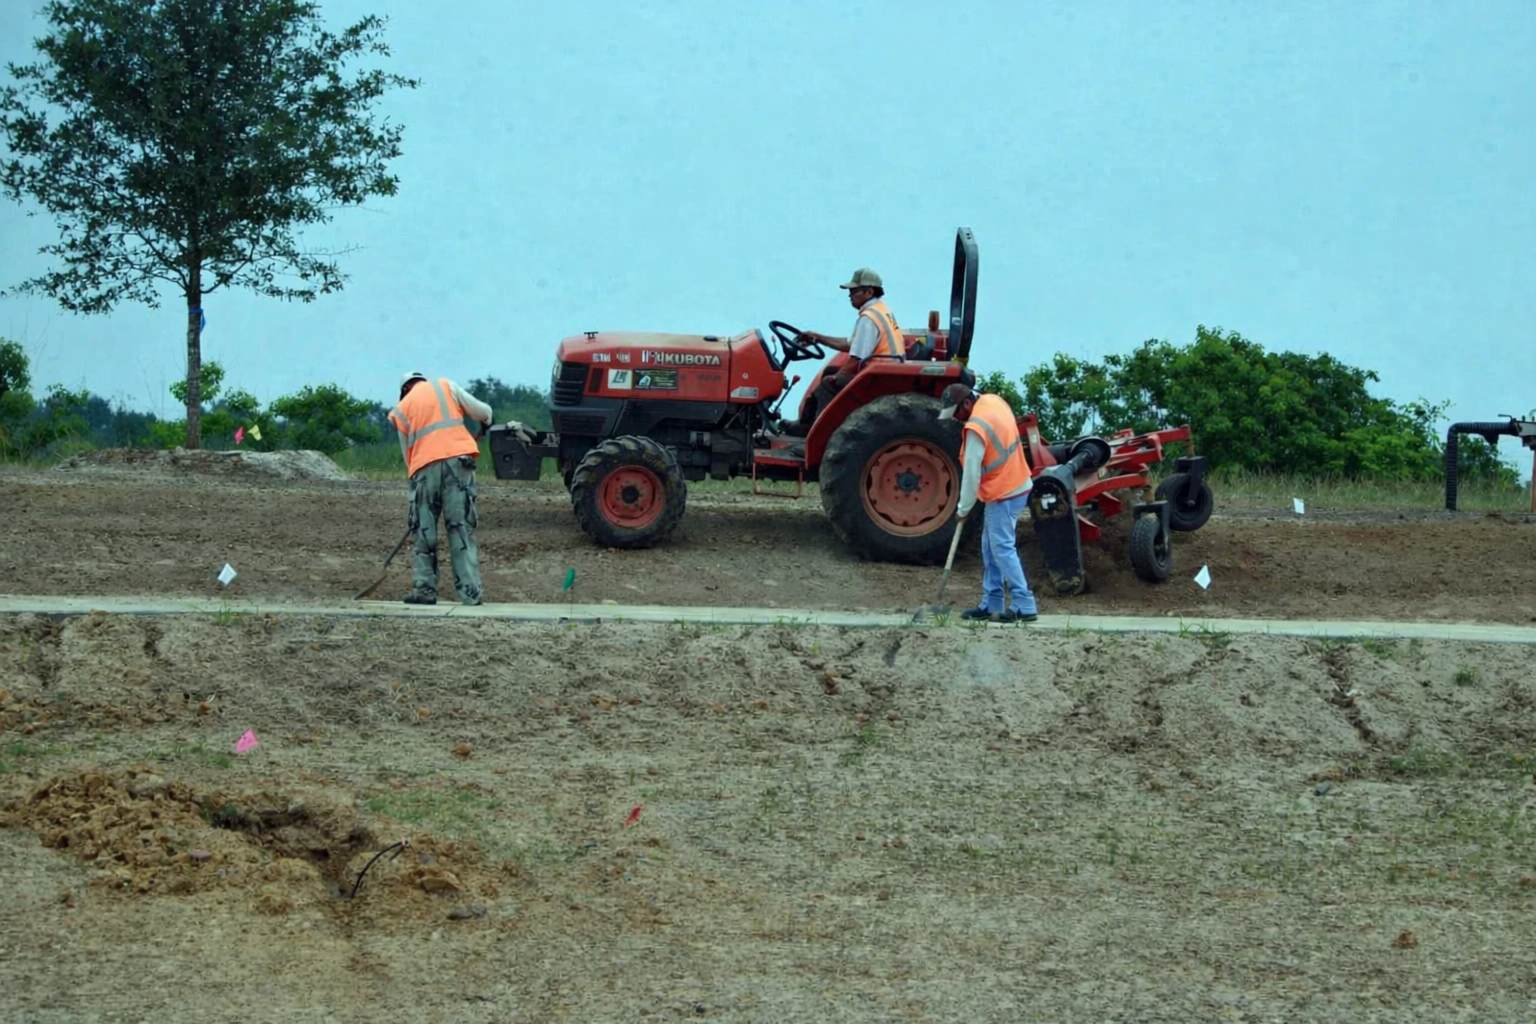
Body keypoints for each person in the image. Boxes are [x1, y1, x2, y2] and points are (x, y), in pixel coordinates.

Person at [388, 371, 494, 606]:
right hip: (459, 464)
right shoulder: (446, 386)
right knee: (460, 528)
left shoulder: (401, 409)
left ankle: (424, 590)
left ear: (404, 390)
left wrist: (417, 483)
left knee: (424, 531)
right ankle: (470, 592)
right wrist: (487, 421)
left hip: (423, 470)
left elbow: (407, 457)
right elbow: (483, 411)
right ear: (422, 381)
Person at [939, 382, 1038, 623]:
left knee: (1001, 547)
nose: (957, 419)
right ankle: (992, 602)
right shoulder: (993, 401)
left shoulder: (976, 427)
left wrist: (963, 509)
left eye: (957, 413)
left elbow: (971, 475)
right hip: (1016, 483)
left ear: (966, 403)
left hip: (1004, 491)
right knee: (990, 547)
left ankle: (1024, 604)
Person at [778, 267, 906, 436]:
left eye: (854, 291)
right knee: (830, 373)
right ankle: (806, 424)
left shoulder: (868, 319)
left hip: (877, 379)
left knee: (828, 384)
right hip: (885, 373)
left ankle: (821, 435)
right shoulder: (880, 310)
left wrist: (835, 379)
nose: (849, 295)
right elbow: (851, 344)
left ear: (869, 291)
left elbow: (856, 360)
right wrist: (818, 337)